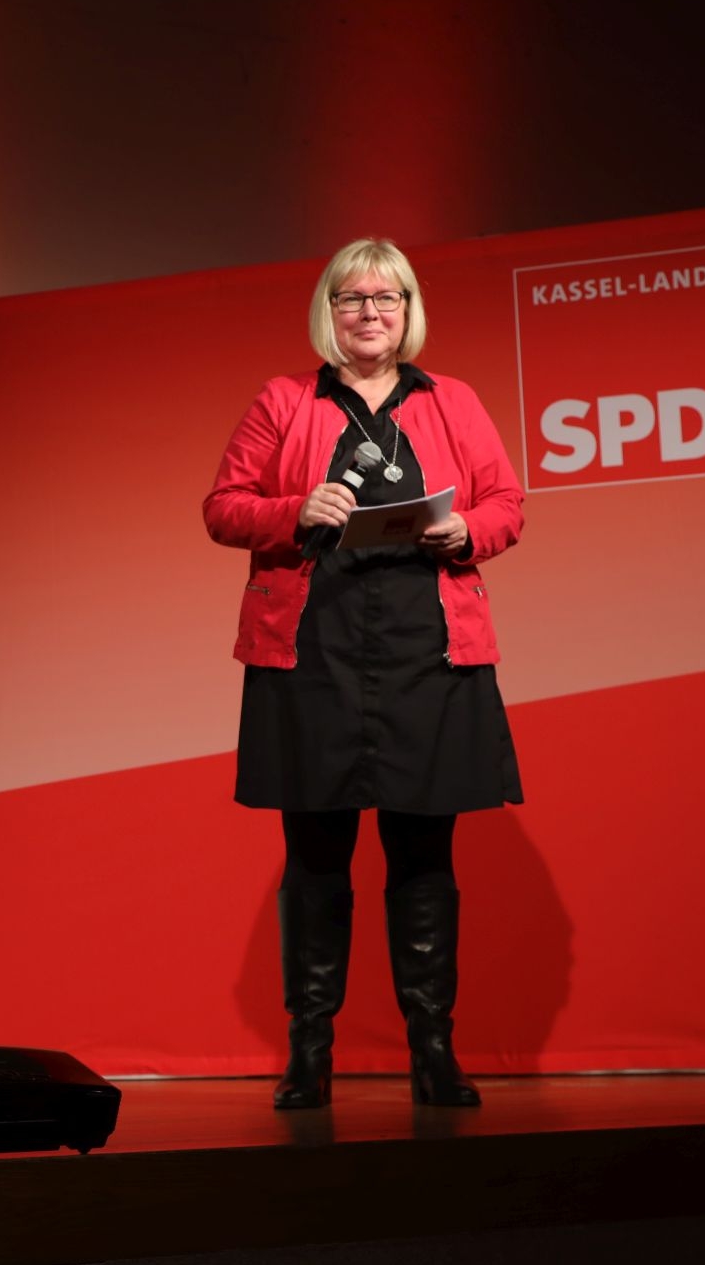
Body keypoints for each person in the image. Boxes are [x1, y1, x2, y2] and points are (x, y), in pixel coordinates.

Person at [203, 238, 523, 1110]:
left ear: (408, 310)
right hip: (314, 651)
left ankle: (433, 1051)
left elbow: (506, 504)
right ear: (329, 311)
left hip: (429, 651)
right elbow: (223, 508)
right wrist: (292, 508)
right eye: (352, 298)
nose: (370, 312)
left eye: (387, 298)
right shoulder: (283, 399)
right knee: (316, 858)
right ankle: (309, 1055)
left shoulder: (452, 399)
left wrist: (468, 531)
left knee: (424, 856)